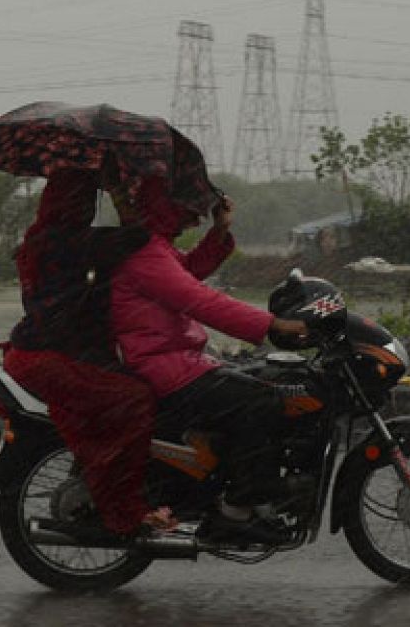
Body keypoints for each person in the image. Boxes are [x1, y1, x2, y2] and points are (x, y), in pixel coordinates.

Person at [107, 175, 309, 546]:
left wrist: (220, 231)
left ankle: (233, 486)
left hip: (175, 359)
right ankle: (237, 511)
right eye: (188, 209)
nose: (196, 218)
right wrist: (273, 326)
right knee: (261, 399)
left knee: (253, 385)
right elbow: (200, 300)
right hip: (163, 365)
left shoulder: (154, 248)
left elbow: (186, 274)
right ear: (164, 208)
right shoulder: (145, 254)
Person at [0, 168, 175, 539]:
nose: (86, 208)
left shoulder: (41, 238)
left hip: (37, 350)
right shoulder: (71, 242)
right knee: (134, 399)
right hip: (52, 357)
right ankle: (122, 509)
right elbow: (138, 237)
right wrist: (119, 195)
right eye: (82, 200)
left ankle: (110, 483)